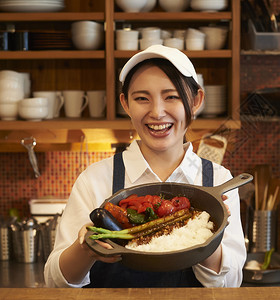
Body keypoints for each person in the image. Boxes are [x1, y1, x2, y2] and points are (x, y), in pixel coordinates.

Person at [44, 45, 247, 288]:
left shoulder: (217, 179)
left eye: (171, 96)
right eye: (142, 98)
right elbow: (55, 284)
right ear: (126, 104)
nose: (157, 112)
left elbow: (232, 284)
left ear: (195, 101)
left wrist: (206, 231)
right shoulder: (96, 179)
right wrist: (85, 249)